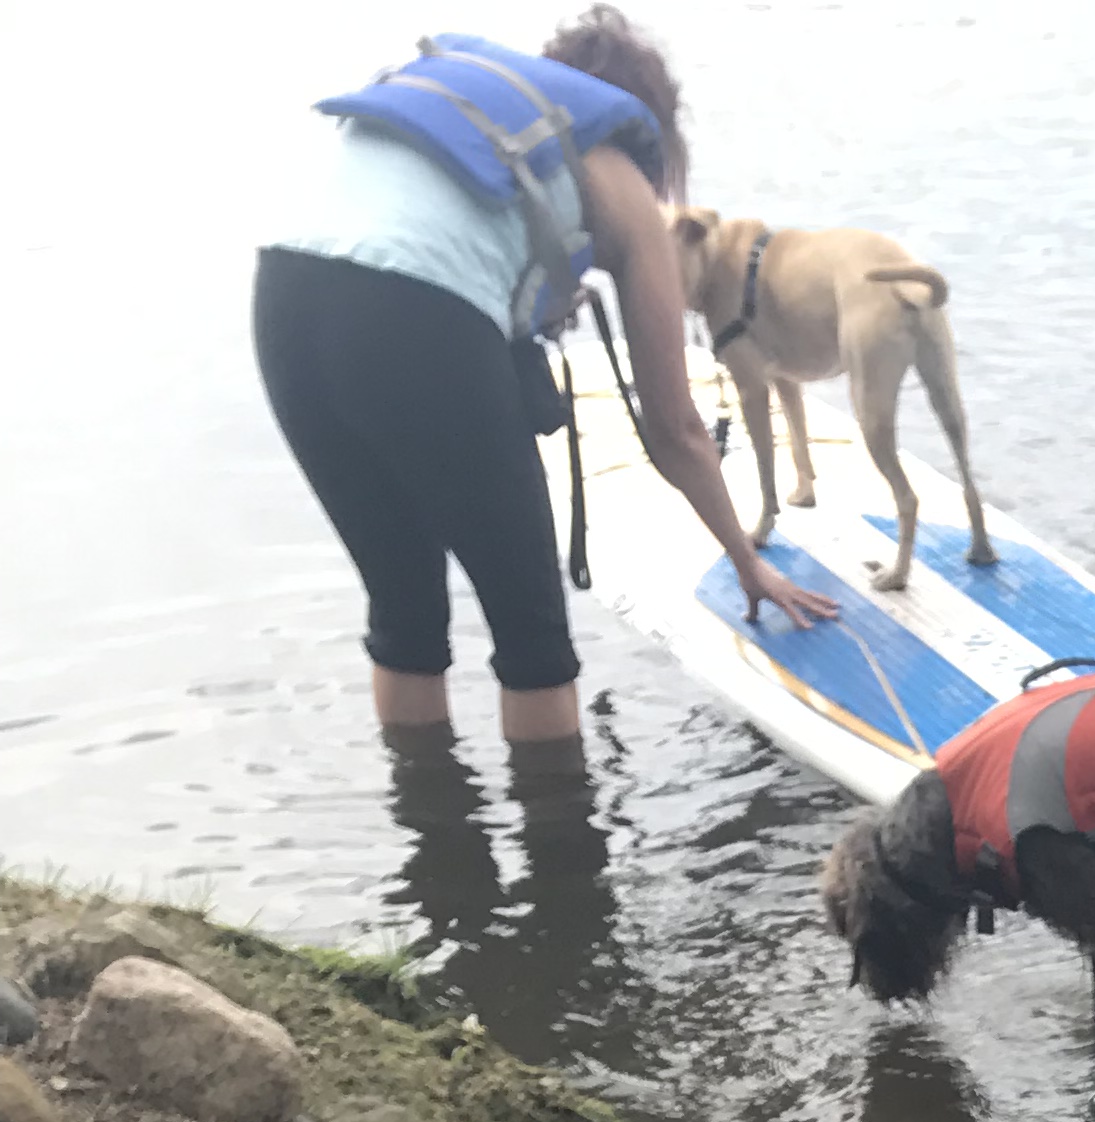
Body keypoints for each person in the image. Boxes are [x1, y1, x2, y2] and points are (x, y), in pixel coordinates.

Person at [252, 16, 830, 767]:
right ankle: (562, 839)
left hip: (285, 297)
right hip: (418, 317)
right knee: (532, 640)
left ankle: (430, 825)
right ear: (643, 117)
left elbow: (425, 238)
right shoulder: (615, 170)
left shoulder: (479, 112)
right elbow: (676, 430)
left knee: (404, 610)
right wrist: (746, 560)